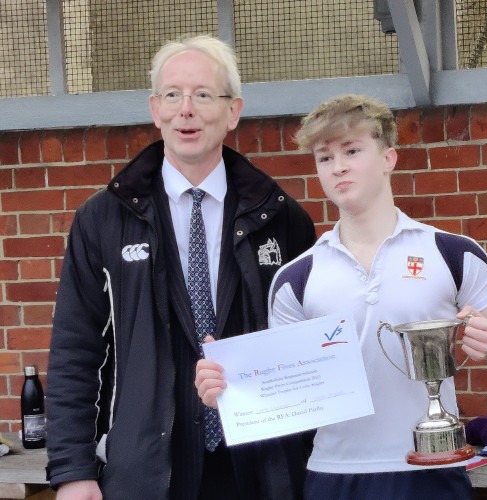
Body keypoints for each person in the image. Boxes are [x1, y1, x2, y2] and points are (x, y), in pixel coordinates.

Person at [196, 94, 487, 499]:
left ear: (388, 158)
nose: (338, 166)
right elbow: (287, 395)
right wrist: (230, 393)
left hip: (431, 470)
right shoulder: (296, 278)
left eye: (352, 150)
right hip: (333, 476)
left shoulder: (450, 253)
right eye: (325, 157)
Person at [45, 35, 316, 500]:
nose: (185, 110)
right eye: (173, 95)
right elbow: (76, 350)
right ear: (156, 109)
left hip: (257, 468)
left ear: (233, 112)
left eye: (203, 95)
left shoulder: (283, 219)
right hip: (145, 472)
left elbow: (307, 348)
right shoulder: (102, 220)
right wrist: (73, 470)